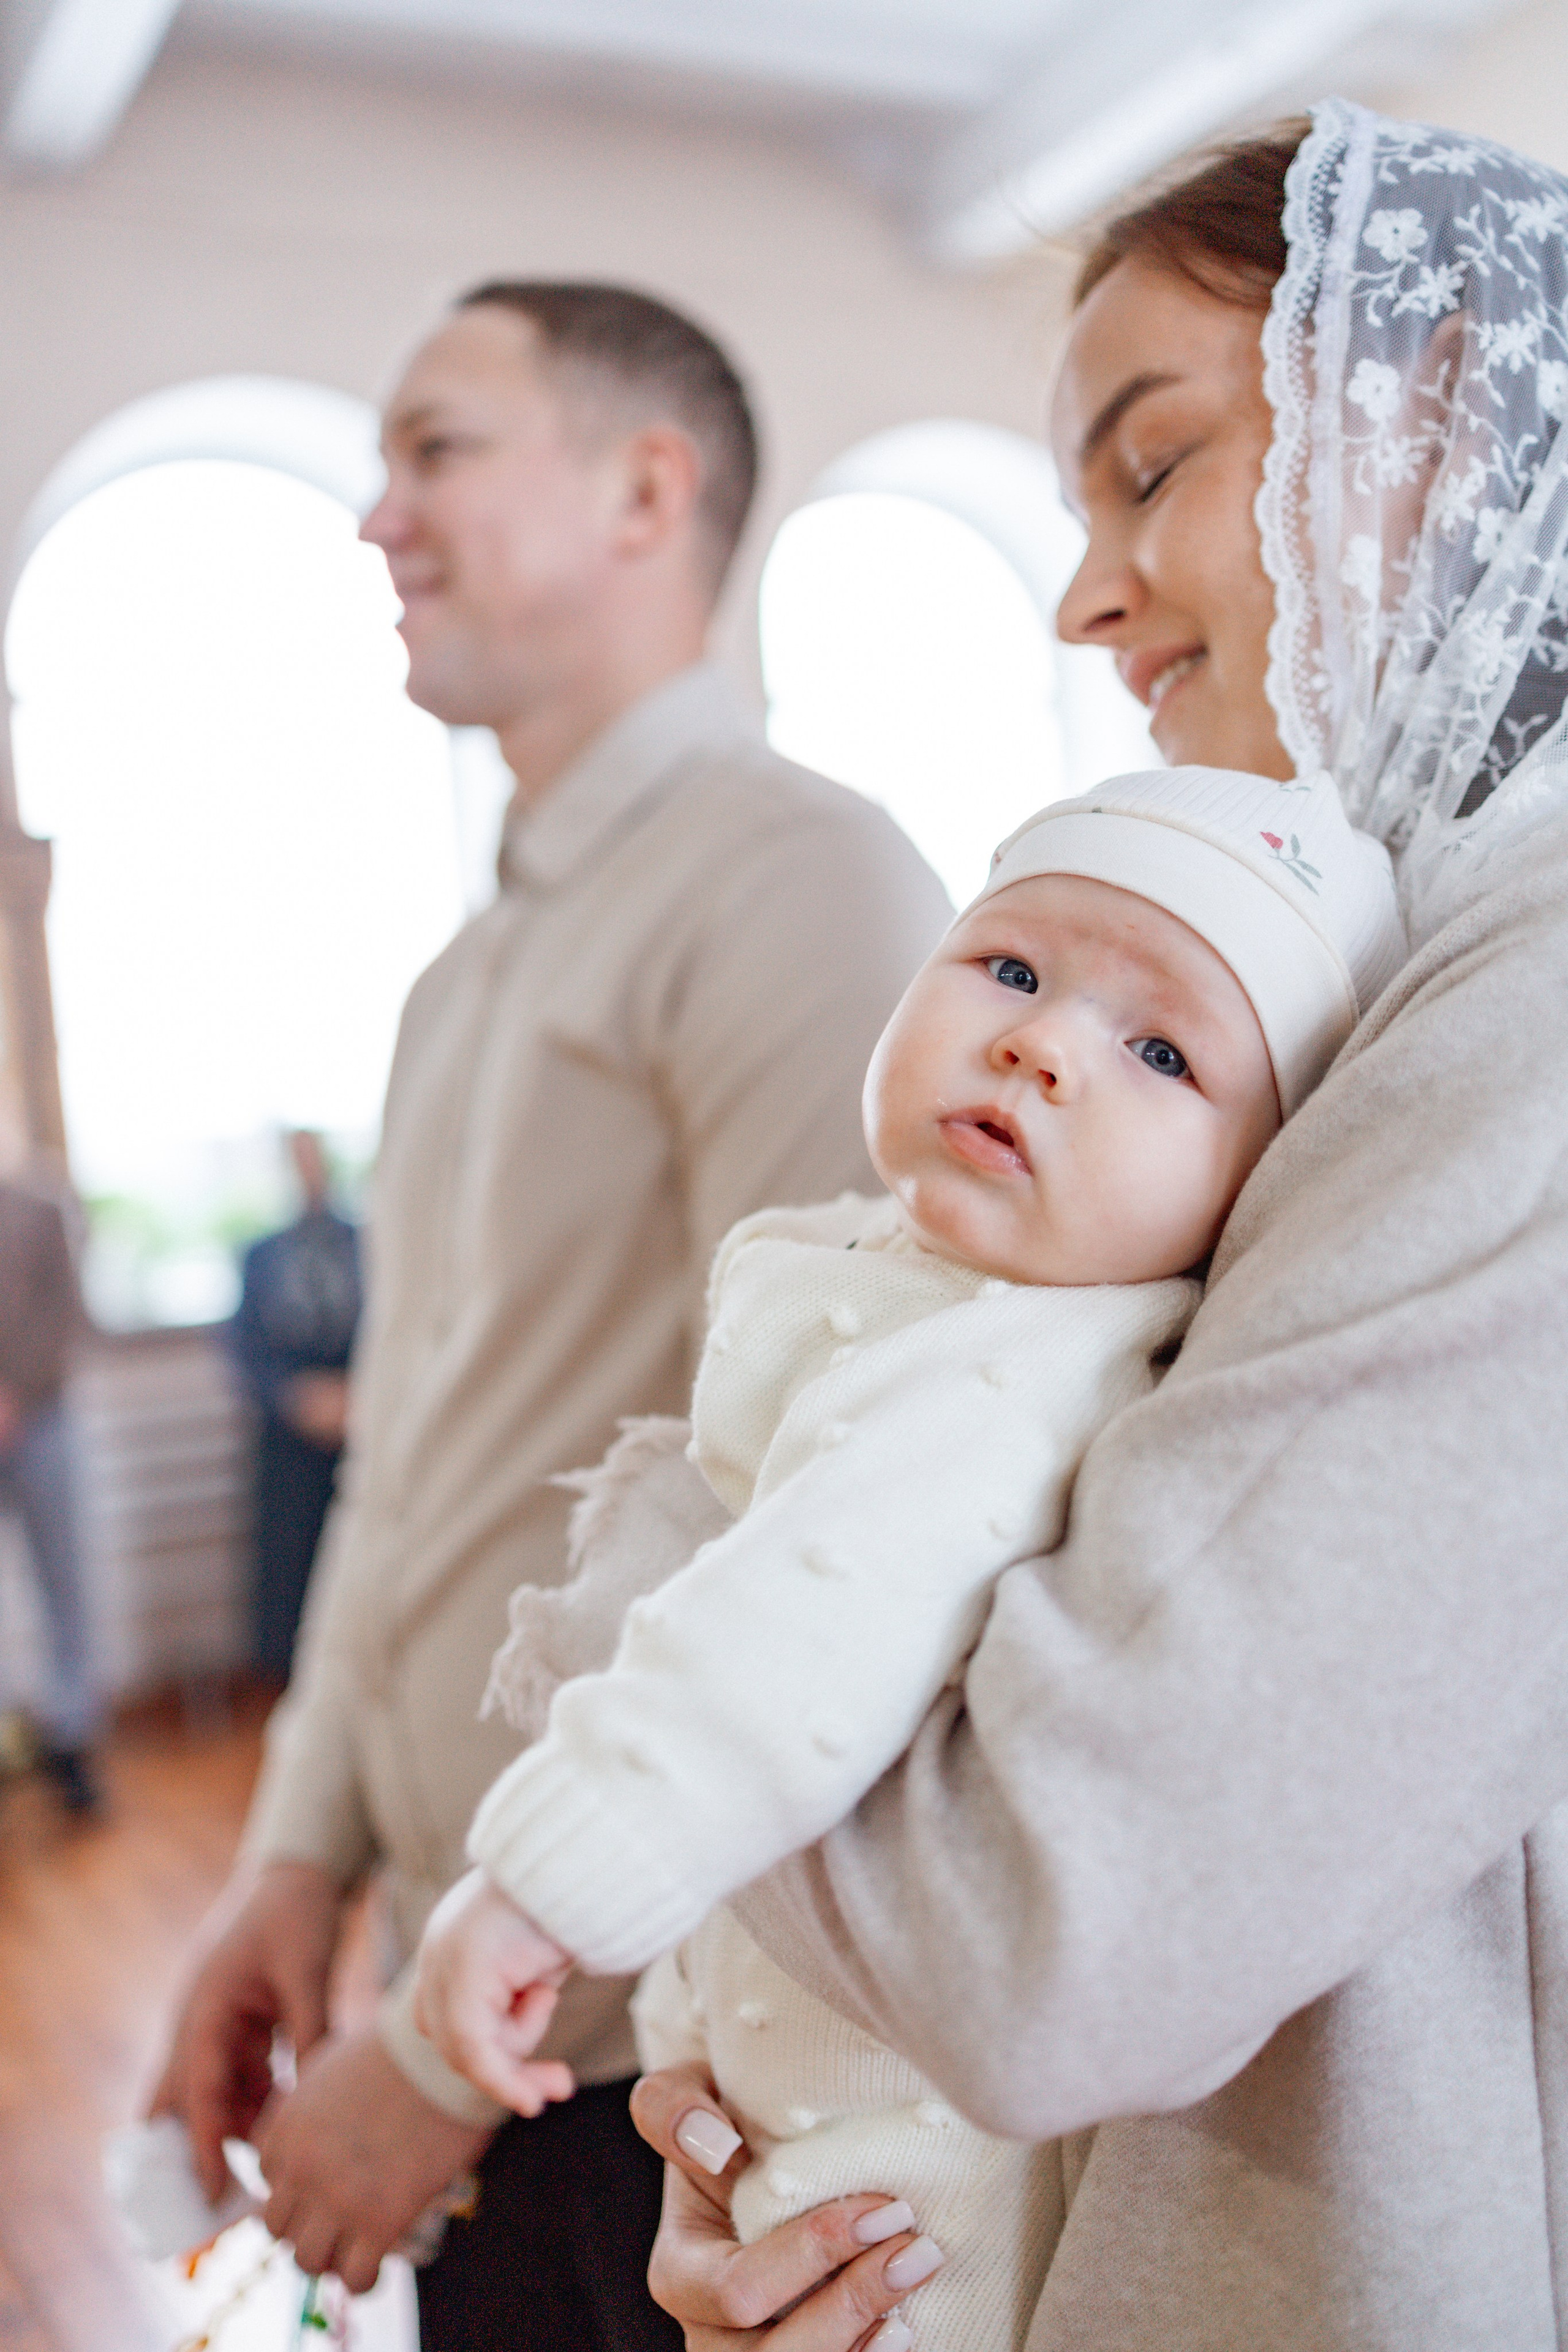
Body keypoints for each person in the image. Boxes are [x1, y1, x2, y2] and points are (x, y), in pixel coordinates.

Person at [611, 104, 1568, 2350]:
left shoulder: (1527, 1005)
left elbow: (1050, 1927)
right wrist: (811, 2130)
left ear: (1439, 424)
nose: (1083, 597)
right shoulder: (1378, 976)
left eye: (1149, 467)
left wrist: (651, 1568)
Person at [147, 279, 950, 2346]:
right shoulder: (462, 974)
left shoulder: (803, 881)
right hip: (477, 1976)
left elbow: (824, 1525)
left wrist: (439, 2056)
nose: (374, 517)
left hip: (639, 2040)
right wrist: (295, 1859)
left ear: (644, 490)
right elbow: (416, 1468)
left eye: (437, 450)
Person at [414, 762, 1406, 2348]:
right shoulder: (901, 1275)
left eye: (1162, 1053)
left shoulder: (1014, 1364)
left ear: (1248, 1192)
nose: (1040, 1042)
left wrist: (538, 1885)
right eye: (1011, 968)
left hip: (908, 2171)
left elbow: (799, 1623)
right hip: (785, 2074)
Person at [228, 1130, 361, 1686]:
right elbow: (243, 1348)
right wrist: (295, 1398)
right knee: (292, 1571)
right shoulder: (262, 1255)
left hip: (359, 1422)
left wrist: (357, 1396)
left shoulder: (366, 1243)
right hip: (290, 1435)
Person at [0, 1152, 98, 1817]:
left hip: (41, 1420)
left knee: (66, 1582)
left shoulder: (37, 1209)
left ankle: (73, 1742)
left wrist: (16, 1395)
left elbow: (66, 1311)